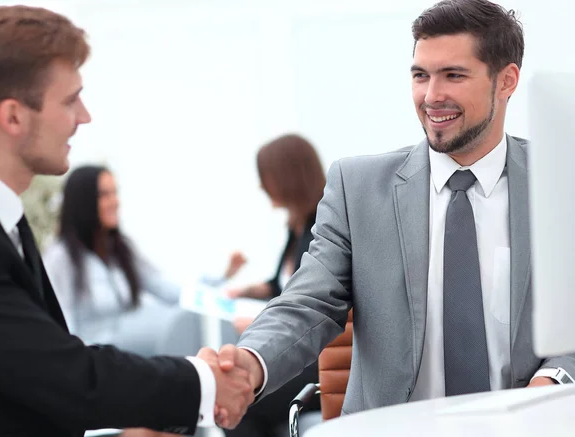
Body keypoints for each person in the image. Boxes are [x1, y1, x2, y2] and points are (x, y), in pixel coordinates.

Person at [212, 0, 575, 426]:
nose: (431, 95)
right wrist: (251, 362)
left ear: (506, 81)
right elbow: (307, 302)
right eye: (421, 75)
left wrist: (551, 382)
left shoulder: (560, 181)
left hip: (525, 427)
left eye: (453, 75)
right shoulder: (358, 187)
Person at [0, 5, 251, 436]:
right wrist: (203, 382)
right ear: (12, 117)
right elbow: (60, 371)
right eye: (70, 100)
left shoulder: (7, 220)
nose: (85, 116)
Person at [44, 165, 243, 356]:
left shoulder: (121, 250)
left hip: (128, 358)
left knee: (184, 321)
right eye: (104, 195)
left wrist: (220, 281)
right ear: (84, 202)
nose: (115, 201)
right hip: (95, 363)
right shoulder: (60, 258)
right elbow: (61, 324)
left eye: (115, 193)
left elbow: (168, 290)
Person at [224, 134, 325, 437]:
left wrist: (258, 322)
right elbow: (284, 284)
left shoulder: (321, 230)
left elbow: (314, 300)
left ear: (286, 177)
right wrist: (249, 291)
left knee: (238, 405)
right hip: (295, 352)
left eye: (265, 178)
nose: (262, 186)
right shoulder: (297, 226)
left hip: (315, 359)